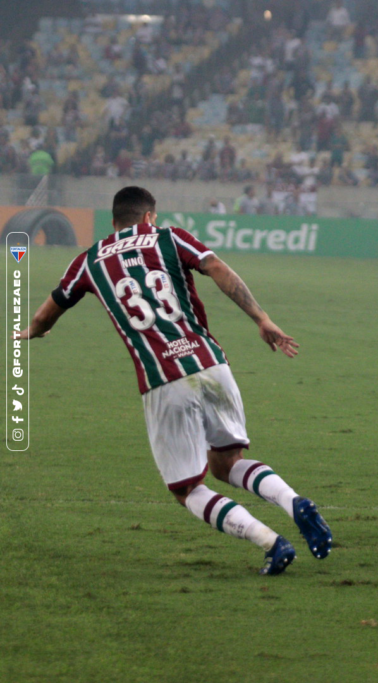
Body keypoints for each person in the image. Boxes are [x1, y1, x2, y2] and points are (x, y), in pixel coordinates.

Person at [16, 187, 332, 575]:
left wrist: (33, 331)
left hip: (163, 379)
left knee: (187, 489)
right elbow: (218, 269)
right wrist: (262, 319)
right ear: (150, 217)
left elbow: (51, 308)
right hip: (211, 365)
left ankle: (271, 542)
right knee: (227, 461)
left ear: (113, 221)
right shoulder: (171, 237)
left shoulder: (89, 260)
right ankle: (294, 501)